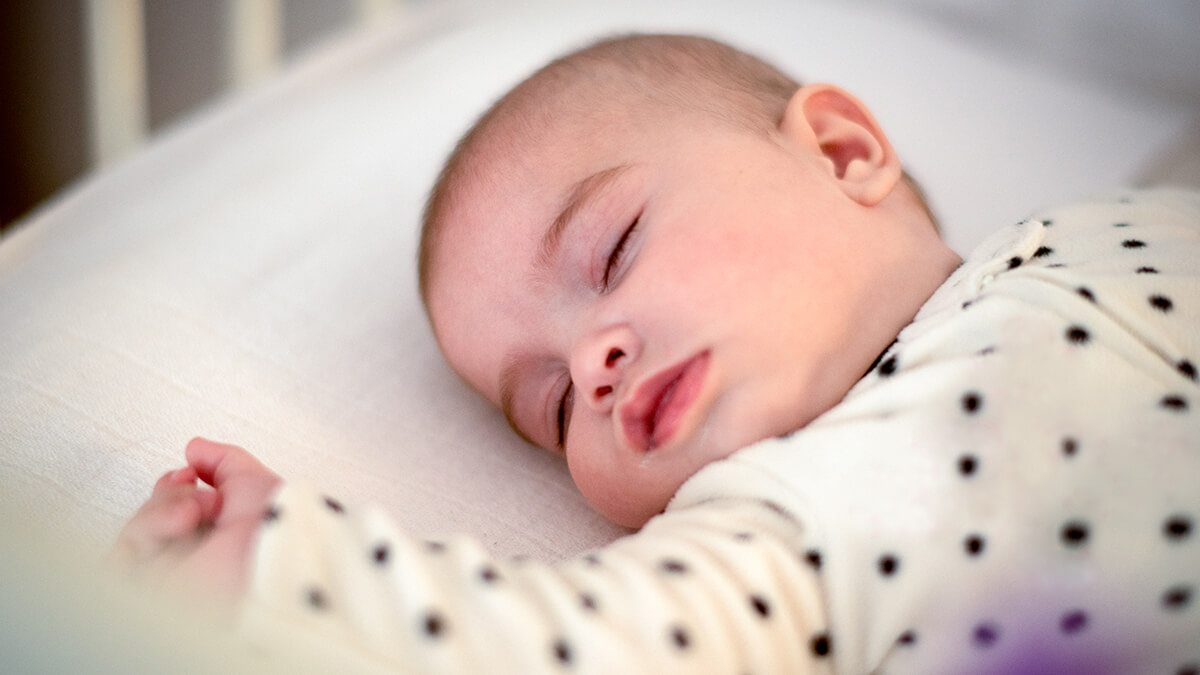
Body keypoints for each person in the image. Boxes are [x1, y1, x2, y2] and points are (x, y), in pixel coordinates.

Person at [113, 35, 1200, 673]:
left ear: (841, 152)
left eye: (614, 249)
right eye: (550, 409)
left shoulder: (1117, 223)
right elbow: (561, 645)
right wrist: (286, 568)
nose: (592, 365)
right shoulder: (777, 533)